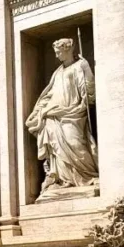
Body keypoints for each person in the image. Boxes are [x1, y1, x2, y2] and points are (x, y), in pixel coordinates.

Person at [25, 38, 98, 197]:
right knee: (56, 149)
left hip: (73, 113)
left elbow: (89, 90)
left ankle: (88, 175)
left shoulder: (79, 66)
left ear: (68, 50)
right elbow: (49, 94)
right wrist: (40, 109)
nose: (57, 55)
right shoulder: (57, 72)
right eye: (56, 52)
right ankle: (63, 180)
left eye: (59, 52)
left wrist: (87, 70)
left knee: (75, 143)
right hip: (53, 116)